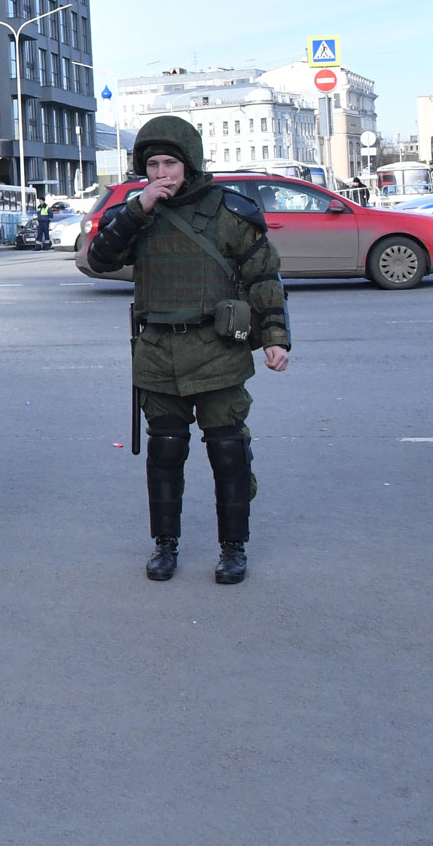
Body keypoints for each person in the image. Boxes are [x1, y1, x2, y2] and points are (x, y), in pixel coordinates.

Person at [86, 116, 291, 584]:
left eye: (170, 164)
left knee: (228, 452)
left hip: (217, 347)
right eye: (153, 165)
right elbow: (99, 260)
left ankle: (233, 548)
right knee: (165, 453)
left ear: (189, 164)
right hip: (158, 350)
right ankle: (165, 544)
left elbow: (265, 279)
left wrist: (276, 338)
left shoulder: (229, 212)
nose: (162, 174)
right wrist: (137, 210)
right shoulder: (138, 213)